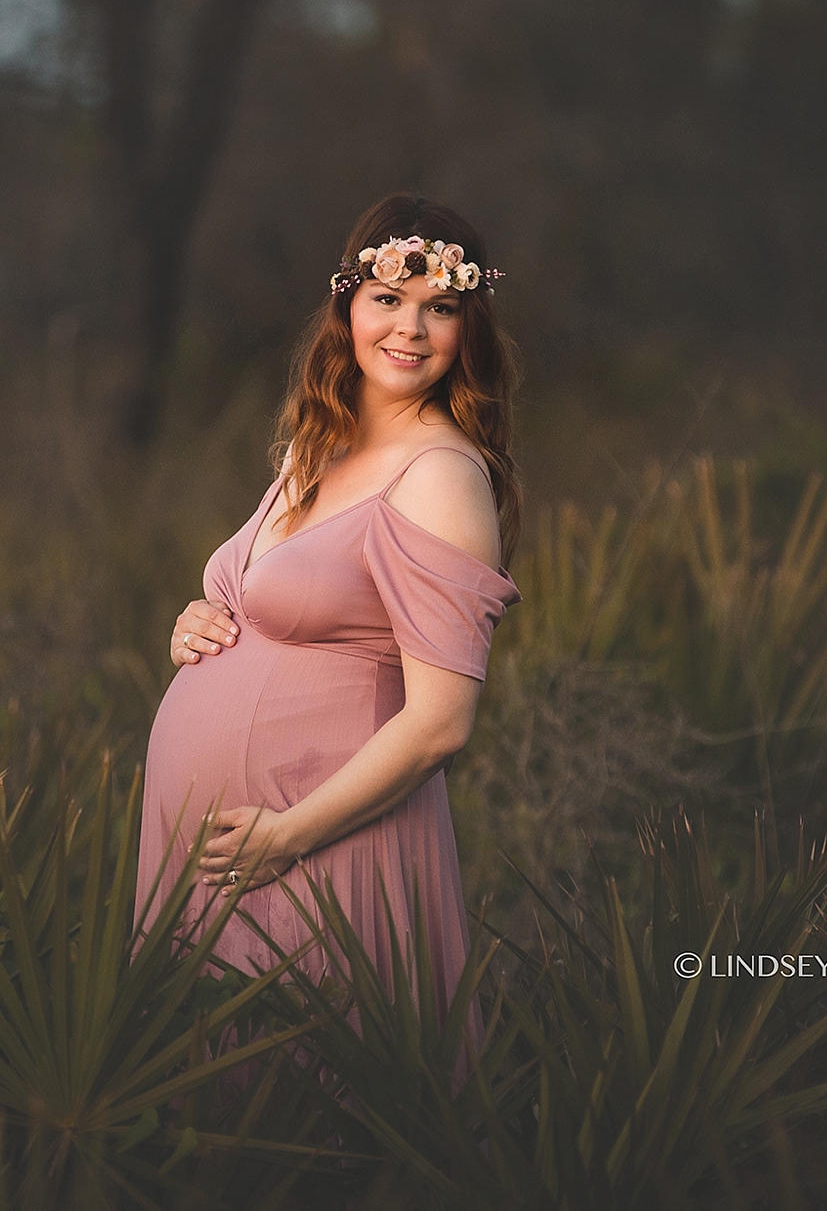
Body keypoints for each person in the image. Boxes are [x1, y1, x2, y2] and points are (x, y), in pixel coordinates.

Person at [134, 193, 523, 1032]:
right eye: (389, 298)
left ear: (468, 328)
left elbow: (441, 724)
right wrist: (197, 621)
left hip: (317, 854)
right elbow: (279, 601)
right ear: (348, 304)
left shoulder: (442, 478)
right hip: (222, 859)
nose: (410, 330)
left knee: (314, 1102)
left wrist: (286, 838)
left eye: (441, 308)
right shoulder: (321, 444)